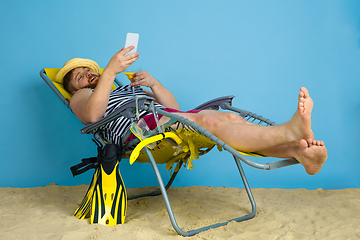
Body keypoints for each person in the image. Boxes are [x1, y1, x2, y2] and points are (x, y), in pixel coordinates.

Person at [55, 46, 327, 175]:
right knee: (208, 121)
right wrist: (110, 71)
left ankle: (298, 152)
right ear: (72, 87)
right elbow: (92, 116)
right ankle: (288, 131)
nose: (87, 74)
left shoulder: (119, 90)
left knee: (232, 118)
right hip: (140, 134)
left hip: (163, 118)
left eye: (90, 70)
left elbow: (172, 106)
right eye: (79, 75)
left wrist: (153, 84)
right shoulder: (81, 97)